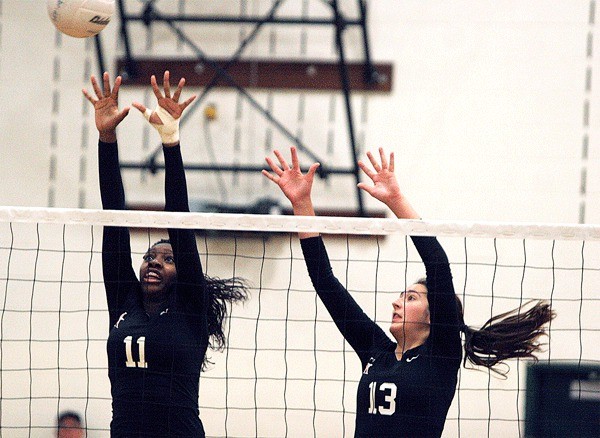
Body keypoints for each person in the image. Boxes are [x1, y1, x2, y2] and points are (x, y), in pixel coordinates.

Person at [262, 146, 555, 438]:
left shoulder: (442, 354)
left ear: (432, 316)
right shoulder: (376, 352)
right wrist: (302, 204)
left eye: (411, 297)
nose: (397, 302)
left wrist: (396, 201)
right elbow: (325, 282)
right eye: (402, 296)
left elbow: (437, 264)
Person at [83, 71, 248, 436]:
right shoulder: (124, 301)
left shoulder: (190, 306)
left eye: (168, 258)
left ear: (182, 270)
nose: (154, 261)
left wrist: (170, 140)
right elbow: (114, 217)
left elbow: (179, 220)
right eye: (149, 257)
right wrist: (106, 137)